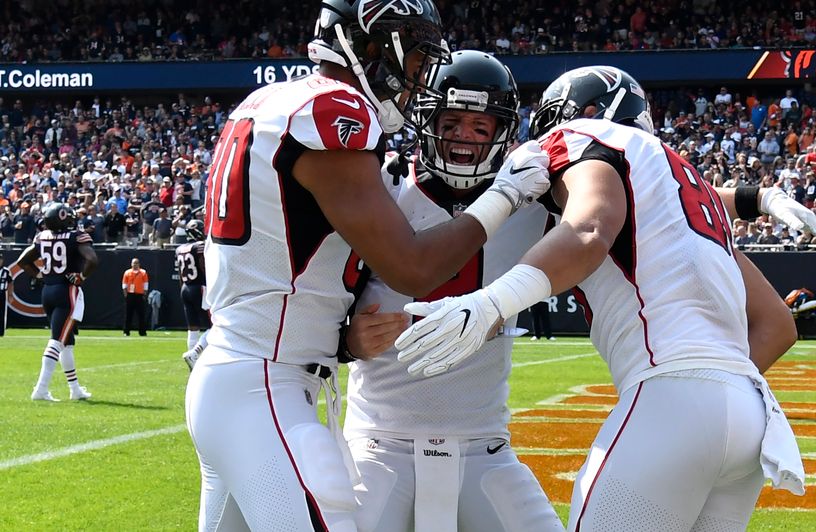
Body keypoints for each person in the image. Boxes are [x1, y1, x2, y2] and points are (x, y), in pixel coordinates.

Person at [395, 66, 816, 530]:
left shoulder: (580, 135)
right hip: (751, 412)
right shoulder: (681, 186)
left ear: (582, 113)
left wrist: (491, 302)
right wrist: (759, 197)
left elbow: (588, 229)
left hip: (670, 397)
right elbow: (778, 325)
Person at [183, 1, 551, 530]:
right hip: (264, 382)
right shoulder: (334, 111)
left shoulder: (267, 100)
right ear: (376, 43)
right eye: (419, 57)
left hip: (244, 372)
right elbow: (413, 269)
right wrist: (506, 194)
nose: (422, 77)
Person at [342, 51, 563, 532]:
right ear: (427, 120)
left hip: (485, 446)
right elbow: (319, 294)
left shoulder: (534, 201)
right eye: (453, 121)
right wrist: (346, 339)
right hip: (380, 443)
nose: (464, 136)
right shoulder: (381, 186)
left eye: (480, 127)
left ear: (502, 134)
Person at [15, 203, 98, 401]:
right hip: (66, 291)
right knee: (57, 341)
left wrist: (40, 275)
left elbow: (22, 261)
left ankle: (75, 389)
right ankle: (41, 388)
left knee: (67, 342)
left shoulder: (42, 237)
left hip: (48, 291)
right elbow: (93, 260)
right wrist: (81, 277)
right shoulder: (75, 236)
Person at [175, 219, 210, 369]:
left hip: (185, 288)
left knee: (193, 328)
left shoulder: (180, 248)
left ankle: (192, 363)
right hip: (200, 287)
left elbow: (179, 272)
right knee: (215, 325)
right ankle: (195, 352)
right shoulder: (200, 246)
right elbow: (204, 267)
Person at [121, 257, 149, 336]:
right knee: (128, 315)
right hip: (130, 295)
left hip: (139, 295)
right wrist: (126, 295)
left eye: (136, 263)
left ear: (139, 264)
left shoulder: (143, 272)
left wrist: (144, 294)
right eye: (134, 263)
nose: (135, 264)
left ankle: (142, 332)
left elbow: (146, 284)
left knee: (141, 315)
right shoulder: (127, 272)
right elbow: (124, 285)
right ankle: (126, 331)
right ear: (131, 264)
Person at [0, 254, 11, 336]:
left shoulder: (6, 271)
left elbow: (11, 282)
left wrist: (10, 294)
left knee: (2, 312)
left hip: (2, 293)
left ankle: (1, 331)